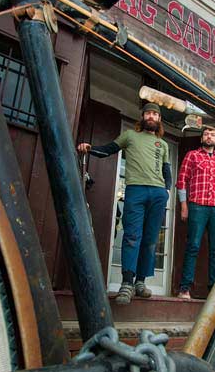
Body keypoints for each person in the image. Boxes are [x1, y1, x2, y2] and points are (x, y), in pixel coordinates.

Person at [77, 102, 171, 305]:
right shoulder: (130, 136)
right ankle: (126, 284)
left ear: (159, 119)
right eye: (149, 113)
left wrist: (167, 191)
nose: (152, 117)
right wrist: (90, 149)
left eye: (155, 114)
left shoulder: (162, 144)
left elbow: (167, 171)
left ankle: (140, 282)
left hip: (158, 193)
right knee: (131, 236)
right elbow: (109, 149)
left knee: (151, 240)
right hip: (135, 190)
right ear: (143, 117)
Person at [176, 127, 215, 299]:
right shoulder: (192, 155)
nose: (209, 137)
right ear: (202, 138)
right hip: (196, 206)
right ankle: (185, 288)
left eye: (213, 135)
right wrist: (184, 205)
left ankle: (214, 290)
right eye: (206, 134)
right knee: (193, 246)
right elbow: (182, 180)